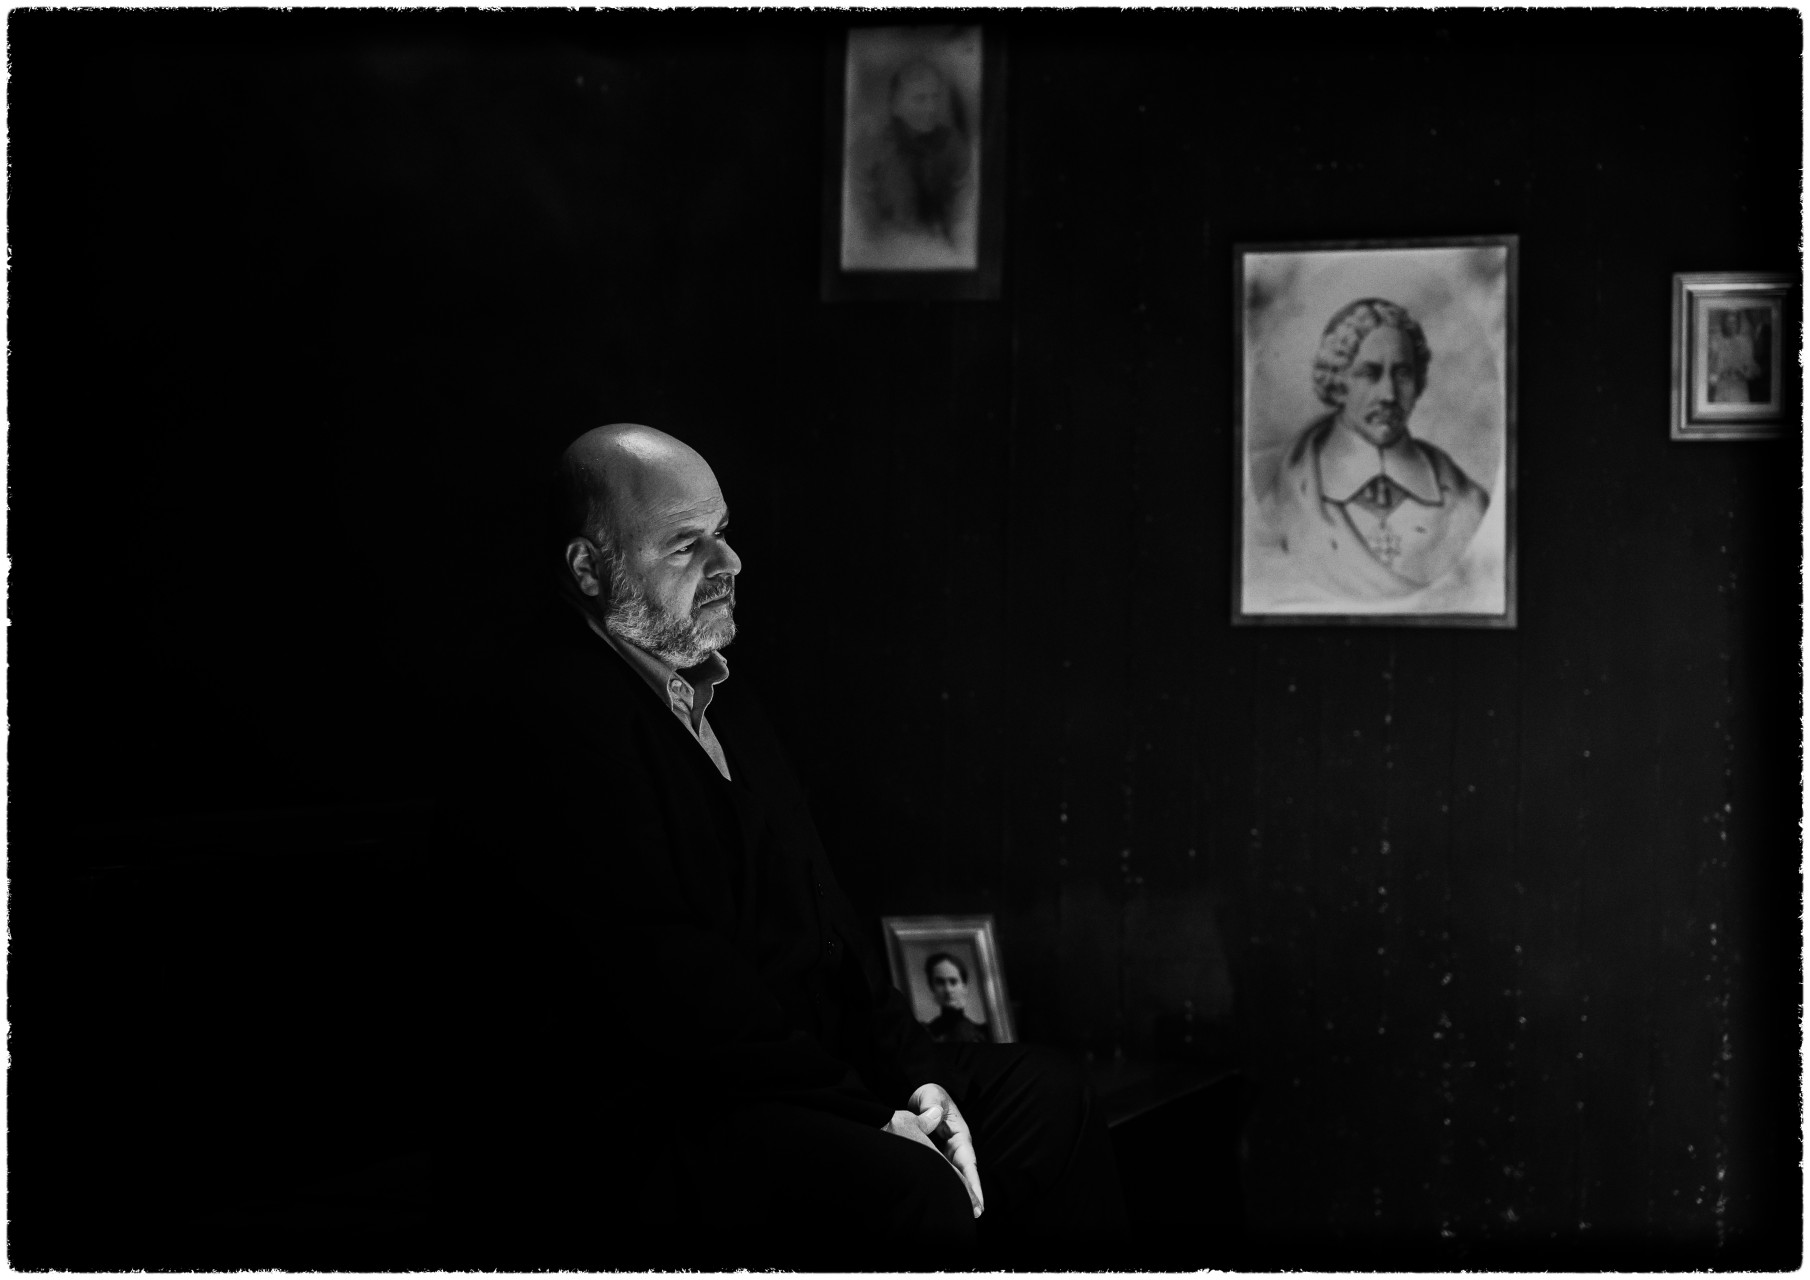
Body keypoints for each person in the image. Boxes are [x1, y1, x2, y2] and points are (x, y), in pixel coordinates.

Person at [435, 424, 1123, 1270]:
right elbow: (676, 998)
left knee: (1047, 1101)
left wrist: (918, 1082)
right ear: (588, 568)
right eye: (686, 544)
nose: (727, 562)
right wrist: (870, 1114)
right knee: (909, 1186)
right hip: (659, 1114)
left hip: (794, 1073)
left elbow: (832, 924)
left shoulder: (718, 693)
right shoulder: (554, 722)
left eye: (722, 531)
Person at [1257, 297, 1490, 601]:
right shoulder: (1283, 493)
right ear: (1338, 381)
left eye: (1402, 374)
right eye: (1370, 373)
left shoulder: (1466, 502)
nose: (1389, 395)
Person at [855, 58, 972, 245]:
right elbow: (865, 228)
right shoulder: (872, 151)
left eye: (935, 97)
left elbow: (964, 217)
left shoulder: (954, 146)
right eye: (920, 99)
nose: (931, 108)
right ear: (896, 106)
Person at [922, 952, 992, 1044]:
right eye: (940, 982)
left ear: (964, 986)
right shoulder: (925, 1034)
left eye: (953, 982)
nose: (948, 990)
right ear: (932, 987)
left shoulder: (984, 1033)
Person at [1708, 308, 1758, 404]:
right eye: (1728, 322)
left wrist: (1744, 372)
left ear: (1738, 323)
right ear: (1724, 323)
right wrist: (1718, 375)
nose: (1731, 325)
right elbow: (1711, 370)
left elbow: (1751, 368)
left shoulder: (1745, 343)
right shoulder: (1716, 342)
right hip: (1721, 388)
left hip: (1739, 388)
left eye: (1734, 322)